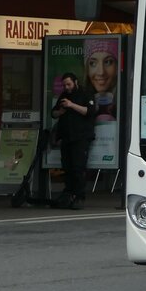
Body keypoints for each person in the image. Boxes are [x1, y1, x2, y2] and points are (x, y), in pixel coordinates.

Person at [51, 72, 97, 210]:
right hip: (67, 137)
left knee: (78, 168)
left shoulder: (85, 94)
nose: (67, 87)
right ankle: (68, 193)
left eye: (69, 84)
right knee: (67, 167)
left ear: (75, 82)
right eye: (65, 85)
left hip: (81, 137)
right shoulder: (64, 96)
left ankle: (79, 196)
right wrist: (60, 112)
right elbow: (53, 113)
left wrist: (71, 105)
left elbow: (89, 111)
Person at [84, 37, 119, 122]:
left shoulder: (128, 101)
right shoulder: (80, 100)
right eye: (93, 63)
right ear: (87, 69)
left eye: (108, 62)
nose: (101, 72)